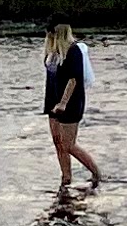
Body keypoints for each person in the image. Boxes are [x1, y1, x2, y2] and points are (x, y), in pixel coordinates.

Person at [40, 21, 102, 198]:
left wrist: (64, 102)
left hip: (70, 102)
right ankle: (66, 178)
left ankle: (97, 174)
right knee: (58, 142)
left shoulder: (73, 50)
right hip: (52, 101)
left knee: (69, 144)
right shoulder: (52, 52)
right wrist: (53, 103)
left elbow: (74, 79)